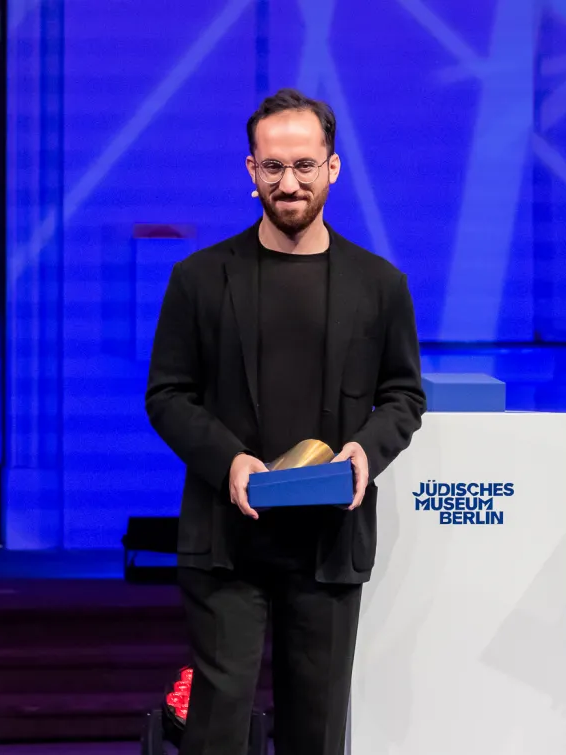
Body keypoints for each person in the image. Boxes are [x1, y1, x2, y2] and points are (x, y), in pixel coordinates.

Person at [145, 88, 426, 755]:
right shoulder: (199, 277)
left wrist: (365, 451)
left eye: (304, 165)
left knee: (317, 733)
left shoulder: (380, 285)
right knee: (216, 730)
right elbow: (167, 394)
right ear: (251, 172)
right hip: (225, 542)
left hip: (328, 545)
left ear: (333, 167)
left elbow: (404, 395)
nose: (289, 182)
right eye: (273, 167)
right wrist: (230, 460)